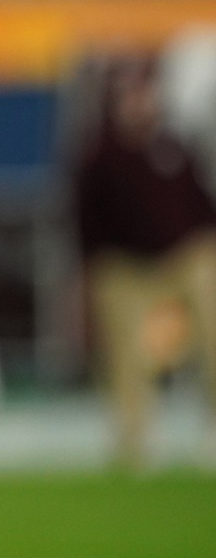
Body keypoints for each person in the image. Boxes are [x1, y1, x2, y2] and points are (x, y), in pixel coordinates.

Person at [70, 51, 216, 471]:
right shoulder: (98, 156)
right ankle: (135, 440)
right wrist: (86, 278)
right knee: (126, 355)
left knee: (211, 322)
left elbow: (203, 206)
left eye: (143, 94)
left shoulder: (173, 145)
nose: (138, 104)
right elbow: (87, 223)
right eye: (129, 96)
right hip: (126, 266)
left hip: (185, 257)